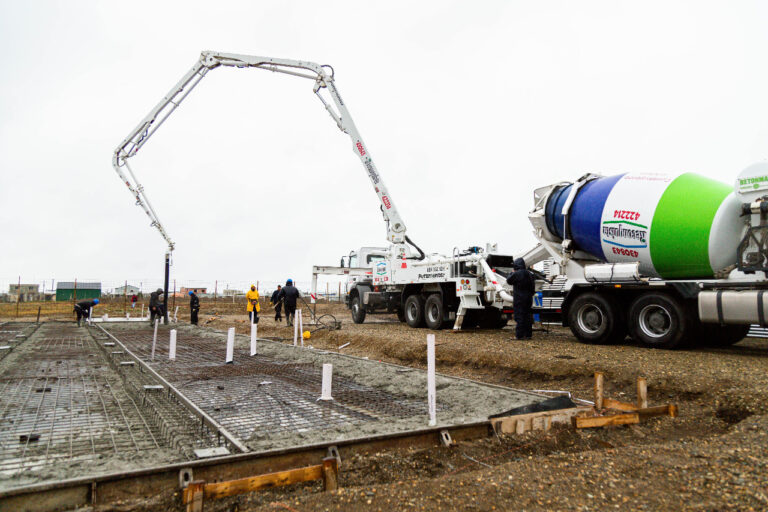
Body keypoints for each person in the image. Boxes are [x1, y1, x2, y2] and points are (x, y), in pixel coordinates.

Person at [506, 258, 536, 340]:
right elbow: (533, 287)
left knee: (519, 316)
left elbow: (509, 280)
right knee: (527, 316)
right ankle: (528, 335)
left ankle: (519, 335)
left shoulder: (517, 273)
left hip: (519, 298)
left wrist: (511, 273)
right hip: (528, 298)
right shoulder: (530, 274)